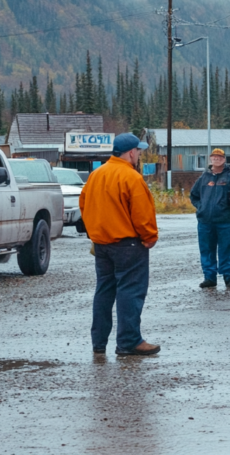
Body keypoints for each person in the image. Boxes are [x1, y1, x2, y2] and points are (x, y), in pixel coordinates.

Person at [79, 133, 161, 356]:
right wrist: (150, 237)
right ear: (132, 152)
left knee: (104, 291)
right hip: (128, 245)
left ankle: (98, 343)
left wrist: (95, 232)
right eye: (139, 151)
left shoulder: (95, 175)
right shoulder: (131, 177)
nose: (139, 155)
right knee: (130, 291)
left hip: (102, 244)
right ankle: (129, 342)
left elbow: (84, 205)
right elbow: (142, 214)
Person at [190, 148, 230, 288]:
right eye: (214, 157)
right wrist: (201, 207)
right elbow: (194, 195)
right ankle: (209, 277)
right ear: (210, 159)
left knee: (226, 248)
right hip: (205, 221)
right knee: (206, 249)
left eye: (219, 157)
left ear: (224, 160)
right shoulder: (204, 177)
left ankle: (228, 277)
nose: (216, 159)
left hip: (225, 220)